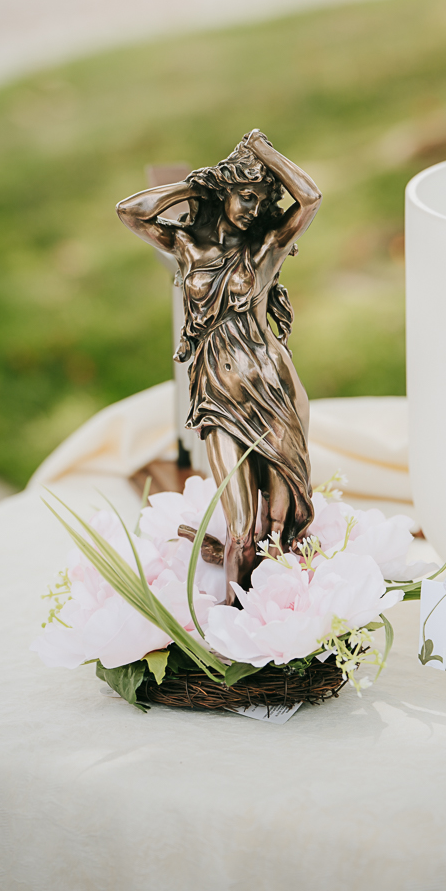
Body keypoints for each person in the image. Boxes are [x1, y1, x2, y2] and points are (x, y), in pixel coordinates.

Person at [116, 129, 322, 603]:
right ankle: (232, 625)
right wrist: (197, 185)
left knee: (278, 520)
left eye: (262, 200)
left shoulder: (265, 249)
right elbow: (130, 212)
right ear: (225, 192)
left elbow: (310, 198)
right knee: (243, 523)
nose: (252, 209)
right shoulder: (189, 248)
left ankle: (276, 616)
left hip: (272, 389)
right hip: (218, 393)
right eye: (245, 196)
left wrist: (265, 152)